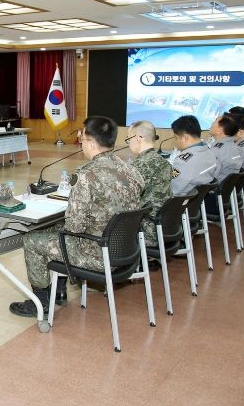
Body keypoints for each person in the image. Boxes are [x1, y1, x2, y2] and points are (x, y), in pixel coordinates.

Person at [9, 116, 144, 317]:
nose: (81, 143)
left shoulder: (87, 175)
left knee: (32, 240)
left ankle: (41, 303)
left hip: (96, 255)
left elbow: (74, 227)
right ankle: (59, 290)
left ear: (91, 143)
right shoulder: (131, 169)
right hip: (126, 251)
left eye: (82, 139)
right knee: (55, 230)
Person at [126, 121, 172, 248]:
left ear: (137, 138)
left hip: (146, 230)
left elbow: (126, 199)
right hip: (165, 225)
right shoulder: (166, 162)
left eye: (128, 139)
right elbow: (175, 177)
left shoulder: (139, 166)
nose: (128, 143)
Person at [169, 115, 219, 196]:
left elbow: (173, 190)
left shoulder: (182, 162)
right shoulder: (210, 152)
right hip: (200, 200)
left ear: (185, 137)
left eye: (176, 138)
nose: (176, 142)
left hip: (181, 200)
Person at [209, 113, 243, 183]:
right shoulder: (234, 146)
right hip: (226, 186)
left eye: (215, 121)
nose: (212, 123)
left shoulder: (217, 150)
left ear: (219, 131)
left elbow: (209, 177)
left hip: (216, 186)